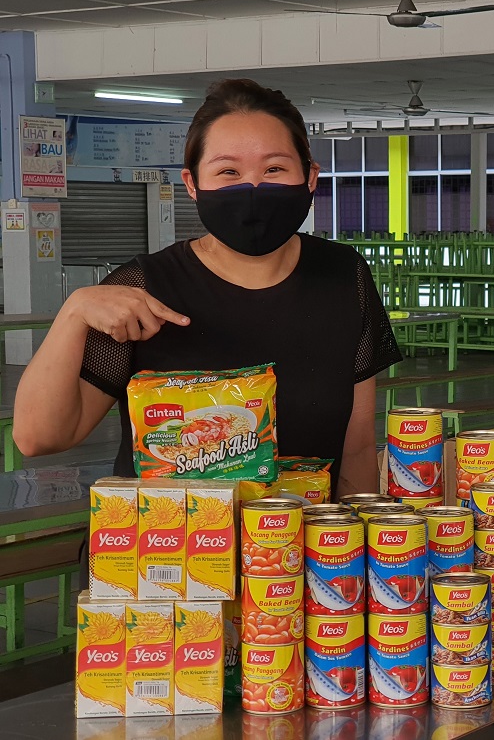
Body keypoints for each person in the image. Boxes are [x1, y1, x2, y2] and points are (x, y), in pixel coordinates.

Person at [13, 78, 402, 497]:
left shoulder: (344, 276)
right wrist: (73, 312)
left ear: (309, 177)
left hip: (295, 552)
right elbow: (39, 437)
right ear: (192, 184)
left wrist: (353, 548)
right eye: (228, 172)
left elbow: (358, 446)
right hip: (166, 548)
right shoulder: (145, 290)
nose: (251, 189)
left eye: (274, 168)